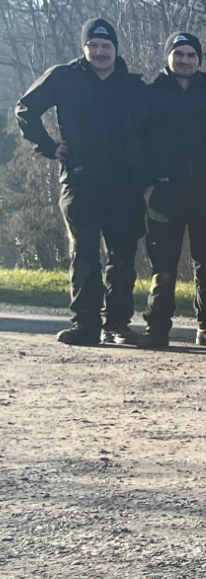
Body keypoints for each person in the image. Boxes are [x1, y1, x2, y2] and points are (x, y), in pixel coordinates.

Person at [15, 18, 145, 345]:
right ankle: (85, 326)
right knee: (85, 254)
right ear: (84, 47)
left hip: (124, 185)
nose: (100, 52)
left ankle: (117, 325)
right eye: (94, 46)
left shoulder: (133, 85)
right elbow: (25, 108)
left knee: (123, 257)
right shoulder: (63, 77)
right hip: (79, 181)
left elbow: (155, 129)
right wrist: (47, 146)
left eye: (107, 46)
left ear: (116, 49)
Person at [128, 32, 206, 349]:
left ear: (199, 60)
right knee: (163, 266)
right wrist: (146, 185)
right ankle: (157, 329)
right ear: (168, 58)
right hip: (164, 195)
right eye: (178, 54)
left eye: (191, 55)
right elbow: (135, 144)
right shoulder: (149, 96)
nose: (185, 60)